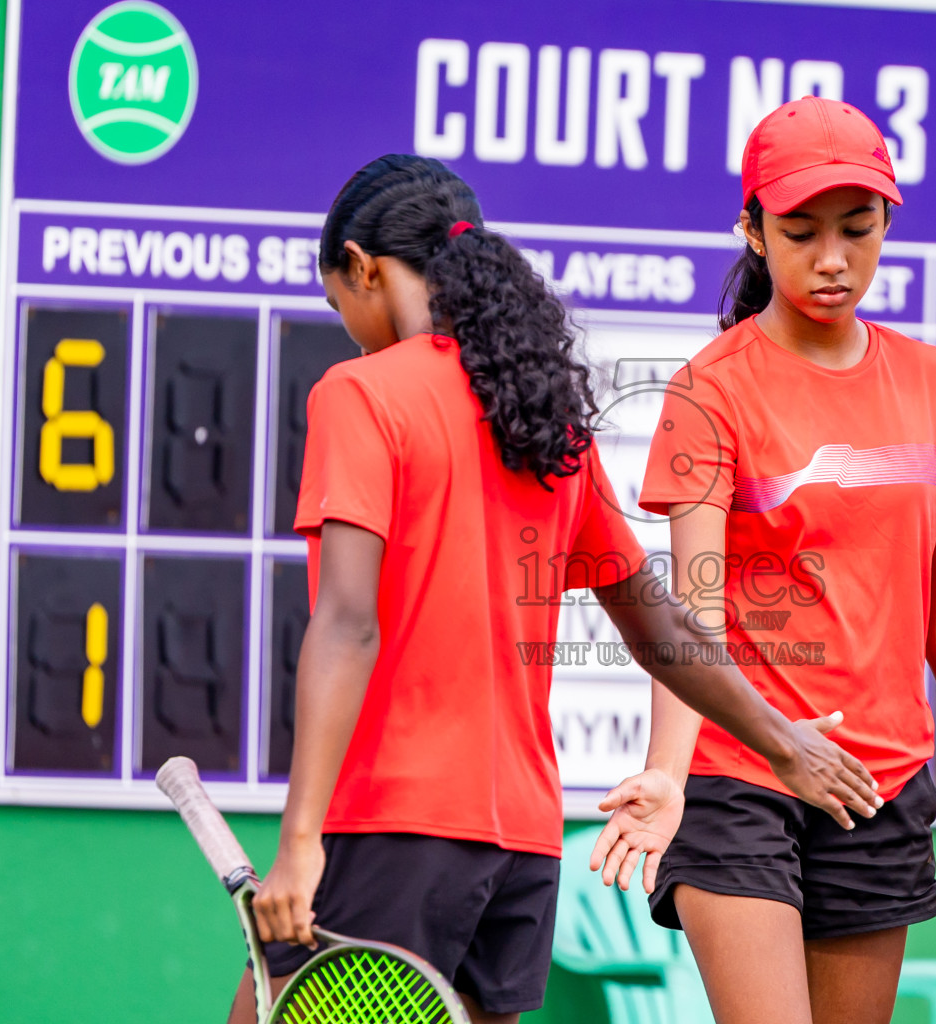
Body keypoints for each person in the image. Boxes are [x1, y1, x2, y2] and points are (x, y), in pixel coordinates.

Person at [237, 154, 882, 1024]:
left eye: (338, 304)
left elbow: (349, 623)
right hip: (523, 852)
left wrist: (301, 842)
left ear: (364, 267)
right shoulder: (542, 418)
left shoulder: (358, 393)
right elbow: (656, 620)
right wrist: (780, 741)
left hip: (394, 830)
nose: (349, 330)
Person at [588, 97, 936, 1024]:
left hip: (875, 788)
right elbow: (694, 612)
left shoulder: (932, 383)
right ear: (753, 231)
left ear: (888, 223)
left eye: (858, 228)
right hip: (739, 778)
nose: (833, 259)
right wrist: (670, 775)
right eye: (800, 231)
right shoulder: (708, 390)